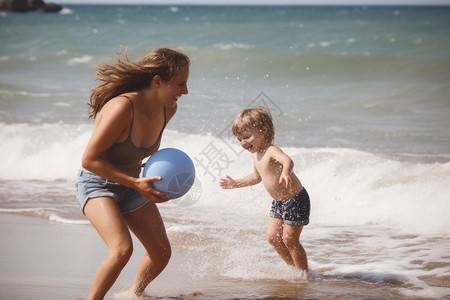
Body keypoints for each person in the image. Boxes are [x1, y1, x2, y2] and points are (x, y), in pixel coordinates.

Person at [75, 47, 190, 299]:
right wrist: (135, 183)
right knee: (122, 249)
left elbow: (139, 154)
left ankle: (133, 295)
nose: (185, 92)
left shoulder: (167, 109)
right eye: (180, 84)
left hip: (133, 184)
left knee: (161, 253)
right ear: (158, 81)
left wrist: (164, 179)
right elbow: (89, 160)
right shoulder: (122, 107)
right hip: (98, 184)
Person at [219, 107, 310, 272]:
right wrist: (235, 183)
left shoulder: (270, 150)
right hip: (279, 202)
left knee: (290, 239)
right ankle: (294, 269)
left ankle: (303, 275)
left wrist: (285, 171)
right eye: (240, 139)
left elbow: (287, 160)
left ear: (263, 130)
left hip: (295, 199)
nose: (243, 143)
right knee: (273, 238)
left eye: (247, 137)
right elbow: (256, 177)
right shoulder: (255, 154)